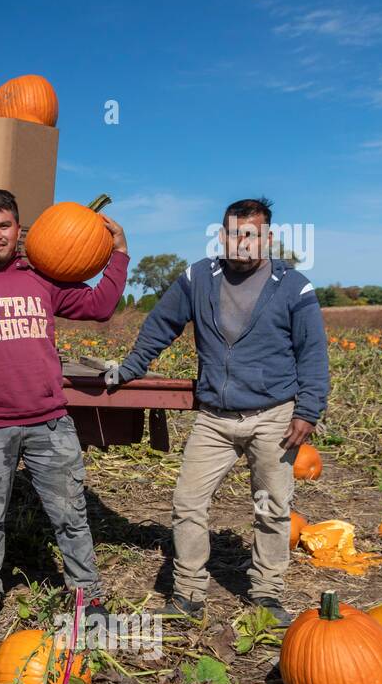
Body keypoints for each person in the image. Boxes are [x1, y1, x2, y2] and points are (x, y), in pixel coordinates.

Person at [105, 197, 328, 626]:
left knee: (272, 507)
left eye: (252, 234)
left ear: (267, 238)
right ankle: (188, 593)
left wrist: (309, 410)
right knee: (188, 502)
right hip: (215, 418)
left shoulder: (293, 286)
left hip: (274, 417)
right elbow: (161, 325)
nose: (242, 243)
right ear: (222, 235)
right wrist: (131, 367)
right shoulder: (198, 278)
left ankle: (266, 594)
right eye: (234, 233)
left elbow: (313, 353)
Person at [0, 187, 129, 631]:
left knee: (69, 513)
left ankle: (87, 595)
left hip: (49, 420)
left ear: (18, 229)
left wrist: (119, 255)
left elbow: (101, 305)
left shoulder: (43, 279)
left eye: (3, 226)